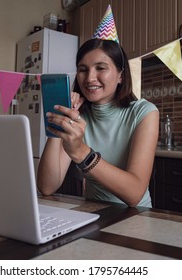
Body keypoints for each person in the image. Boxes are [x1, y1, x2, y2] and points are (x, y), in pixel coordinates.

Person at [37, 38, 159, 207]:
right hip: (93, 213)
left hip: (135, 217)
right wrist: (60, 119)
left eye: (100, 68)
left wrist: (82, 153)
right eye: (83, 69)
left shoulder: (144, 112)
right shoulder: (79, 117)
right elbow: (47, 187)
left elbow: (135, 194)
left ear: (121, 76)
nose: (89, 78)